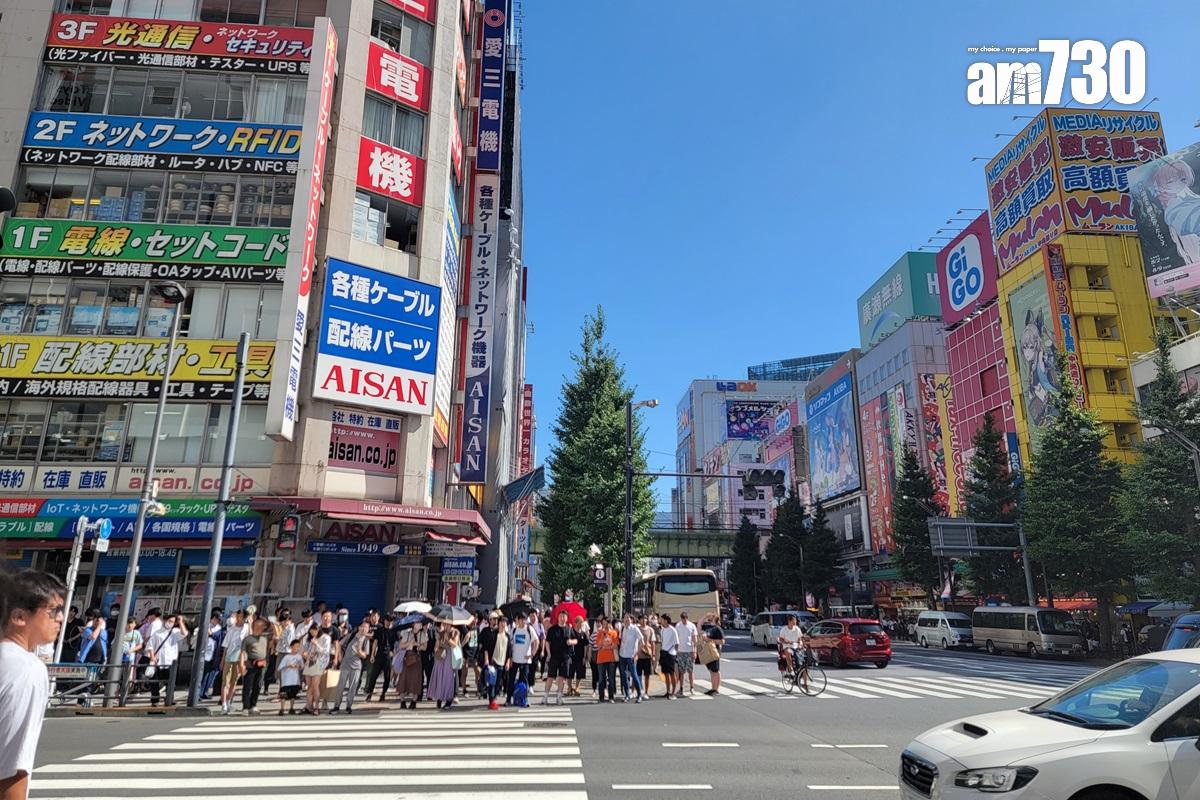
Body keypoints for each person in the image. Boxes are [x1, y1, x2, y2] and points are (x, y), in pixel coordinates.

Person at [0, 569, 66, 800]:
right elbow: (11, 768)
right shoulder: (26, 669)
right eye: (53, 611)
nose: (61, 618)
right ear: (19, 617)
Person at [145, 611, 187, 707]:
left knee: (170, 682)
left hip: (170, 661)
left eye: (172, 621)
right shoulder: (157, 633)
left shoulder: (175, 632)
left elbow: (184, 633)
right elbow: (150, 646)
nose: (170, 623)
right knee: (154, 682)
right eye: (169, 621)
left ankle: (169, 699)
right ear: (165, 620)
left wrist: (180, 622)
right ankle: (155, 699)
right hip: (158, 661)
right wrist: (152, 656)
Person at [331, 619, 371, 714]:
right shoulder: (351, 635)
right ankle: (336, 706)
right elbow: (339, 644)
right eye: (363, 627)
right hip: (345, 664)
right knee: (340, 686)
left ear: (368, 630)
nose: (364, 629)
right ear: (359, 627)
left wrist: (359, 652)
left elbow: (365, 655)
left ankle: (349, 706)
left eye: (366, 628)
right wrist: (340, 656)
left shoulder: (366, 640)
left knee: (352, 687)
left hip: (356, 666)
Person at [238, 617, 270, 715]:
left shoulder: (265, 638)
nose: (262, 627)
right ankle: (246, 706)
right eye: (259, 625)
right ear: (254, 626)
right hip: (251, 664)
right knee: (248, 686)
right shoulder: (248, 639)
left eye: (263, 626)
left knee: (258, 685)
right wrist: (241, 664)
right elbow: (242, 652)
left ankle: (253, 704)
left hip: (262, 664)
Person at [506, 612, 538, 707]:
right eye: (521, 619)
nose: (523, 621)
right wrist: (510, 658)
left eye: (525, 619)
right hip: (515, 659)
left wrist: (532, 654)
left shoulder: (529, 629)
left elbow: (536, 641)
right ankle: (508, 699)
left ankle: (524, 699)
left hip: (525, 661)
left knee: (524, 680)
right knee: (511, 680)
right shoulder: (514, 630)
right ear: (517, 620)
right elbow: (510, 644)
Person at [220, 609, 248, 714]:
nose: (238, 618)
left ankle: (228, 702)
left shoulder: (246, 628)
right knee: (225, 681)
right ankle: (223, 704)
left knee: (234, 681)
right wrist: (222, 660)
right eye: (237, 616)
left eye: (241, 616)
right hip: (229, 657)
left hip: (240, 657)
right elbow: (226, 645)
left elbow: (247, 642)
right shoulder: (231, 629)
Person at [542, 610, 573, 705]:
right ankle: (545, 696)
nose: (562, 618)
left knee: (562, 677)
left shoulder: (569, 629)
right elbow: (547, 642)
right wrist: (549, 653)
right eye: (560, 616)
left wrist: (571, 642)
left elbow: (576, 640)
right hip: (554, 656)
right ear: (558, 617)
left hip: (565, 656)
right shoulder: (552, 629)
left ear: (567, 618)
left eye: (564, 616)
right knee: (550, 676)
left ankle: (559, 696)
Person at [427, 622, 460, 710]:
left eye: (446, 624)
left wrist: (448, 639)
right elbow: (436, 646)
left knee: (448, 678)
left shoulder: (455, 632)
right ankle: (439, 698)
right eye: (444, 624)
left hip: (450, 657)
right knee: (440, 677)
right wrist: (437, 651)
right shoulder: (440, 633)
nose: (445, 625)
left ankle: (448, 700)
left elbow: (455, 645)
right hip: (441, 657)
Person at [301, 623, 330, 715]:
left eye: (315, 631)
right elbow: (305, 649)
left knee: (315, 686)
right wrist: (305, 654)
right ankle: (308, 706)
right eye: (311, 631)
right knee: (309, 686)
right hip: (309, 663)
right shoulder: (309, 638)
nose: (313, 633)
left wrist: (317, 645)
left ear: (318, 630)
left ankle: (317, 707)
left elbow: (326, 651)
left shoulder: (326, 638)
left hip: (319, 664)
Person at [393, 621, 423, 709]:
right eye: (417, 623)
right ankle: (402, 701)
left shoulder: (422, 634)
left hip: (417, 658)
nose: (419, 625)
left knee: (416, 680)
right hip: (407, 658)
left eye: (420, 624)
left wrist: (418, 645)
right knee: (403, 679)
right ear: (413, 625)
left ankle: (414, 701)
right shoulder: (407, 633)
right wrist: (410, 643)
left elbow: (424, 647)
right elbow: (401, 645)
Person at [365, 614, 395, 702]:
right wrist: (372, 655)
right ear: (384, 620)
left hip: (388, 656)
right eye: (387, 620)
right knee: (373, 675)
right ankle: (369, 693)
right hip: (379, 654)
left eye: (390, 620)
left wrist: (393, 652)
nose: (388, 622)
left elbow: (397, 643)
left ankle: (383, 694)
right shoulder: (380, 630)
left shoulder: (393, 631)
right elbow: (375, 642)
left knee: (387, 676)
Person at [264, 608, 293, 698]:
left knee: (285, 673)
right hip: (277, 651)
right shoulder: (278, 626)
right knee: (276, 671)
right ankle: (275, 690)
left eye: (285, 620)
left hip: (286, 652)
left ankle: (284, 692)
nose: (283, 623)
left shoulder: (290, 629)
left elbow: (289, 642)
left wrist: (279, 638)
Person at [618, 612, 644, 703]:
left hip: (631, 656)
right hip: (622, 655)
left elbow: (642, 641)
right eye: (625, 618)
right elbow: (621, 641)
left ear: (631, 619)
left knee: (634, 675)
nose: (626, 619)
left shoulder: (635, 629)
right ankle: (627, 695)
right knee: (624, 676)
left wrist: (637, 654)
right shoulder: (622, 628)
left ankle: (639, 694)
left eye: (628, 618)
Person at [486, 616, 510, 710]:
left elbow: (509, 651)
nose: (503, 624)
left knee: (498, 683)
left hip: (502, 662)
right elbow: (487, 649)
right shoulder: (493, 634)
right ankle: (492, 700)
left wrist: (508, 662)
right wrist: (487, 659)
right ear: (499, 623)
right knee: (492, 681)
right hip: (493, 661)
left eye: (505, 623)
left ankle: (493, 698)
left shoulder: (507, 636)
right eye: (502, 622)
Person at [594, 618, 620, 703]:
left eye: (607, 624)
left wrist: (606, 647)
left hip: (611, 659)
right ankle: (601, 697)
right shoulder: (600, 633)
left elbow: (615, 645)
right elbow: (598, 646)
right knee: (601, 678)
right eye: (603, 624)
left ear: (610, 624)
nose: (605, 626)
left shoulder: (614, 633)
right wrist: (602, 637)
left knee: (611, 678)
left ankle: (611, 697)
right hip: (601, 659)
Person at [674, 611, 699, 697]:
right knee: (681, 671)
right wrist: (676, 651)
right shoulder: (678, 626)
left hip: (689, 651)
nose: (684, 620)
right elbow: (676, 639)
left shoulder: (692, 626)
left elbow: (694, 639)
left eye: (685, 619)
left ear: (687, 618)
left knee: (690, 670)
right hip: (680, 651)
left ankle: (692, 687)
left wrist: (694, 651)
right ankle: (681, 688)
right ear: (681, 618)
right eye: (683, 619)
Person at [200, 610, 223, 700]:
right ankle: (199, 693)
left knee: (210, 675)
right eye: (217, 619)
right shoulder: (206, 626)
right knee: (203, 674)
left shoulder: (219, 628)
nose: (218, 621)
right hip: (205, 653)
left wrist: (212, 634)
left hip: (214, 654)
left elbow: (217, 638)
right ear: (213, 618)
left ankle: (205, 692)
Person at [276, 639, 304, 715]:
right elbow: (279, 668)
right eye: (295, 646)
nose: (297, 648)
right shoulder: (286, 657)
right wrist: (288, 665)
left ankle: (291, 708)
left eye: (298, 647)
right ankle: (282, 709)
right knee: (283, 695)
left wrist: (299, 666)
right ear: (291, 647)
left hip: (295, 679)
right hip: (286, 680)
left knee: (293, 695)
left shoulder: (299, 657)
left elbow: (302, 666)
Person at [700, 615, 725, 695]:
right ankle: (713, 688)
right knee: (711, 671)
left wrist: (710, 640)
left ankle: (716, 689)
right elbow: (699, 625)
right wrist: (705, 617)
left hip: (714, 651)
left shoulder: (718, 628)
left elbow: (722, 641)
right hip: (708, 651)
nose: (710, 617)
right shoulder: (708, 627)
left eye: (712, 616)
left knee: (715, 670)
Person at [658, 614, 679, 700]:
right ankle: (668, 691)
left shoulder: (673, 630)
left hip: (670, 654)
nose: (661, 621)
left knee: (671, 673)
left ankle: (673, 692)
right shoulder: (662, 630)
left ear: (666, 620)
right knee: (665, 673)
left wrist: (675, 654)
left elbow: (676, 643)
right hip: (663, 652)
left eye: (662, 619)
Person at [569, 616, 589, 697]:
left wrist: (585, 656)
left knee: (580, 673)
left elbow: (586, 646)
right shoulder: (571, 632)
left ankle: (577, 687)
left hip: (580, 656)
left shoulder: (583, 634)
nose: (581, 624)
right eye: (580, 622)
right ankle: (569, 687)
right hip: (571, 656)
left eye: (582, 622)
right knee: (570, 673)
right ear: (576, 623)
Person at [636, 615, 656, 696]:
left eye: (645, 619)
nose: (644, 620)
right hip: (638, 655)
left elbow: (653, 642)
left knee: (647, 675)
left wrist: (653, 655)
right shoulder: (637, 629)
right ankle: (636, 691)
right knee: (637, 674)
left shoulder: (650, 630)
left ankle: (646, 692)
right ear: (639, 620)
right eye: (642, 619)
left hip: (647, 655)